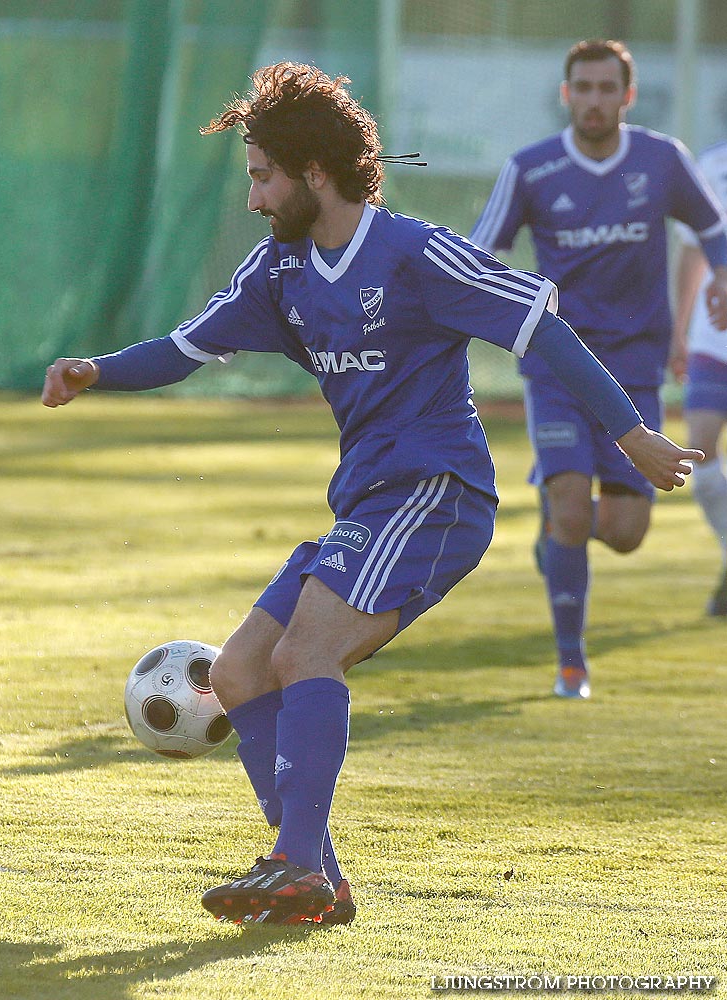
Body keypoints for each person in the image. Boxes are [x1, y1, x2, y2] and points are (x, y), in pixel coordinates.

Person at [41, 61, 698, 927]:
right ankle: (316, 878)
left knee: (304, 654)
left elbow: (543, 328)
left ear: (314, 172)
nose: (253, 200)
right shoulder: (279, 272)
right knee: (239, 673)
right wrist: (99, 370)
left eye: (262, 177)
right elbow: (185, 348)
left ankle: (293, 865)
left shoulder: (415, 254)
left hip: (438, 493)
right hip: (369, 505)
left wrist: (634, 433)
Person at [470, 39, 727, 698]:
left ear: (626, 96)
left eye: (605, 88)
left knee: (623, 533)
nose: (593, 100)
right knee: (570, 509)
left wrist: (723, 272)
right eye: (581, 87)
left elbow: (712, 224)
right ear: (567, 94)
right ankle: (570, 664)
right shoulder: (531, 168)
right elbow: (479, 257)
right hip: (556, 364)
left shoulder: (661, 159)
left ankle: (558, 538)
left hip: (636, 366)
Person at [672, 139, 727, 614]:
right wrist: (679, 329)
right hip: (714, 340)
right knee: (700, 447)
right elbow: (693, 253)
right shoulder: (711, 164)